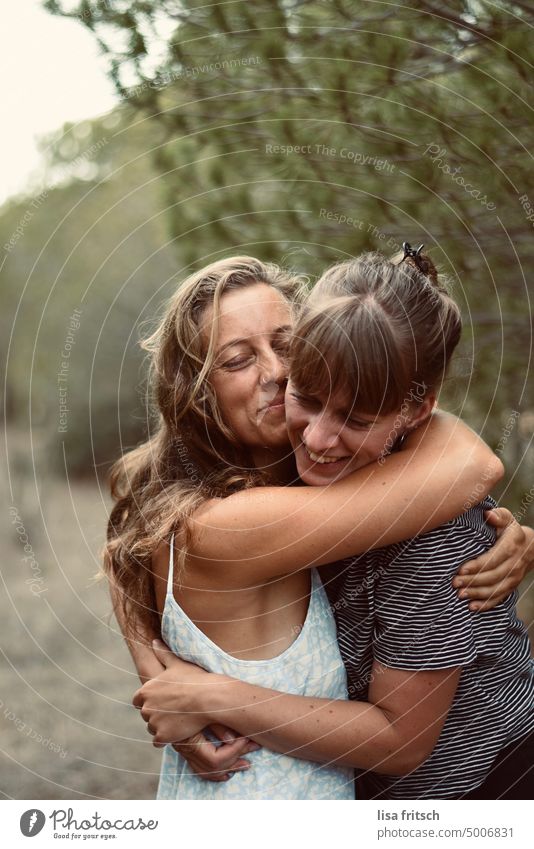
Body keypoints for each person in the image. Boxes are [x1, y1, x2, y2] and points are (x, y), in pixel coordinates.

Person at [133, 249, 534, 799]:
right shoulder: (247, 500)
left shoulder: (428, 522)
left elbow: (401, 740)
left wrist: (207, 695)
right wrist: (147, 656)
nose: (275, 373)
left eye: (284, 345)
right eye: (236, 359)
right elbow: (133, 527)